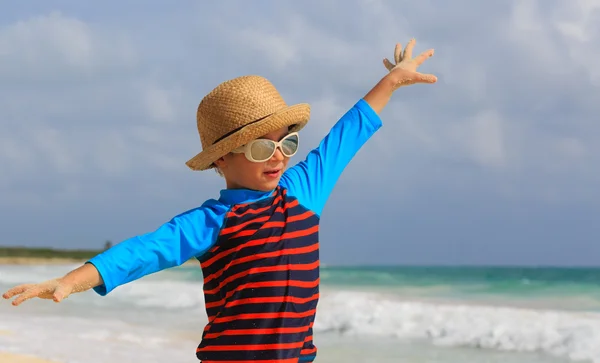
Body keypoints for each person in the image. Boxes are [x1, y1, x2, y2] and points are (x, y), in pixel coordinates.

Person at [3, 39, 436, 362]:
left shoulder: (304, 190)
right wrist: (70, 282)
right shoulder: (210, 223)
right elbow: (141, 252)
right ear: (222, 159)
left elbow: (347, 135)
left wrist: (392, 81)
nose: (280, 156)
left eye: (286, 142)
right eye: (262, 149)